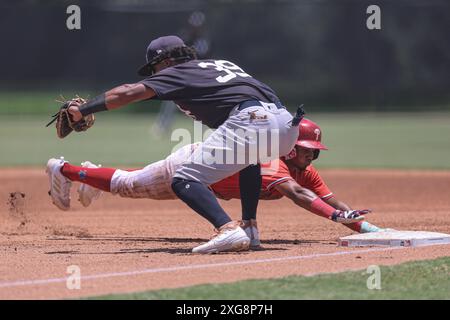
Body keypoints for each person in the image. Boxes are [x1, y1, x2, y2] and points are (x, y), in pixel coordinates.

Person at [46, 35, 301, 254]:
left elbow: (128, 92)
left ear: (165, 62)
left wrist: (85, 109)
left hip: (252, 121)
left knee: (184, 179)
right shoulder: (217, 65)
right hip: (286, 124)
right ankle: (250, 227)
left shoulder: (176, 72)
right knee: (250, 159)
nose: (156, 76)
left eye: (155, 69)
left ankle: (228, 229)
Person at [47, 118, 379, 249]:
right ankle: (64, 168)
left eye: (315, 153)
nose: (312, 158)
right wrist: (335, 218)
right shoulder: (273, 161)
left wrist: (366, 229)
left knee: (131, 183)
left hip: (209, 181)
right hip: (193, 166)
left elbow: (330, 199)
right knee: (129, 185)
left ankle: (90, 172)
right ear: (291, 146)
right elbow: (299, 195)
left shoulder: (304, 170)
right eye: (308, 151)